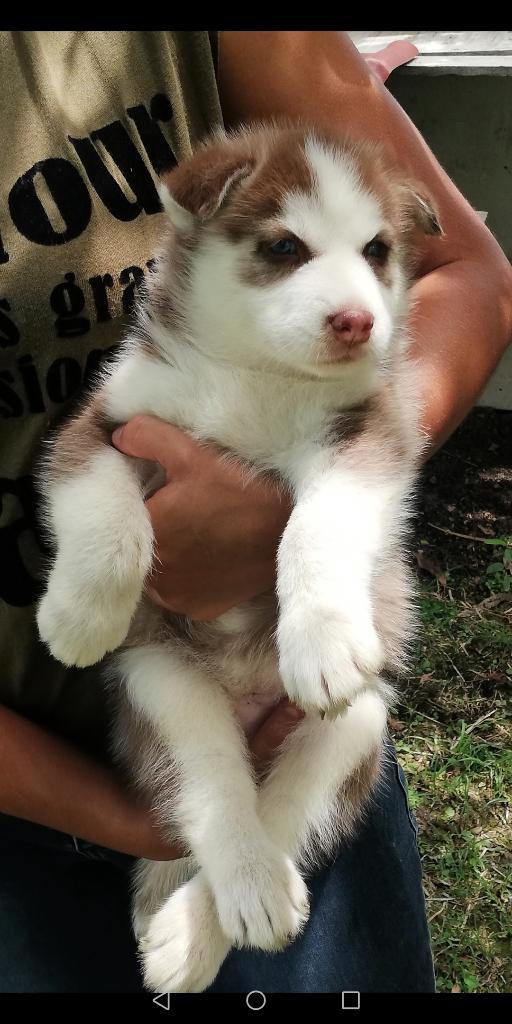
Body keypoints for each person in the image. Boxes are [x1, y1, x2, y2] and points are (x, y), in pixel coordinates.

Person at [0, 30, 510, 994]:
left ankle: (234, 871)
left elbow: (455, 285)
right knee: (161, 673)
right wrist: (104, 565)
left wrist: (294, 551)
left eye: (371, 253)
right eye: (286, 251)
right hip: (65, 765)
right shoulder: (172, 354)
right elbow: (92, 457)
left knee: (349, 723)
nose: (353, 298)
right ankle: (220, 847)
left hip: (310, 700)